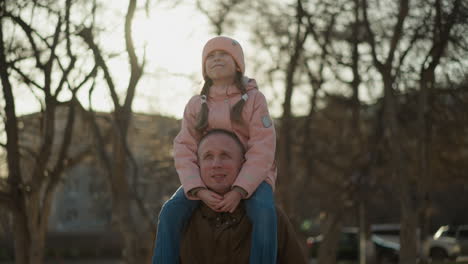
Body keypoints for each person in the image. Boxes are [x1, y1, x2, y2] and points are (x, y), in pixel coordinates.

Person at [153, 36, 277, 264]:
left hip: (251, 179)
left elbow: (263, 147)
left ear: (238, 64)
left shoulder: (255, 100)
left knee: (265, 212)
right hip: (205, 179)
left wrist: (240, 189)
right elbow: (184, 149)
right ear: (204, 67)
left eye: (223, 54)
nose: (216, 59)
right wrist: (197, 189)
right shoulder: (195, 105)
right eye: (210, 56)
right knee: (170, 212)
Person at [178, 129, 307, 264]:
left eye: (225, 156)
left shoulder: (270, 216)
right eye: (208, 156)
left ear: (242, 164)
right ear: (198, 165)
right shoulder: (180, 218)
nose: (216, 164)